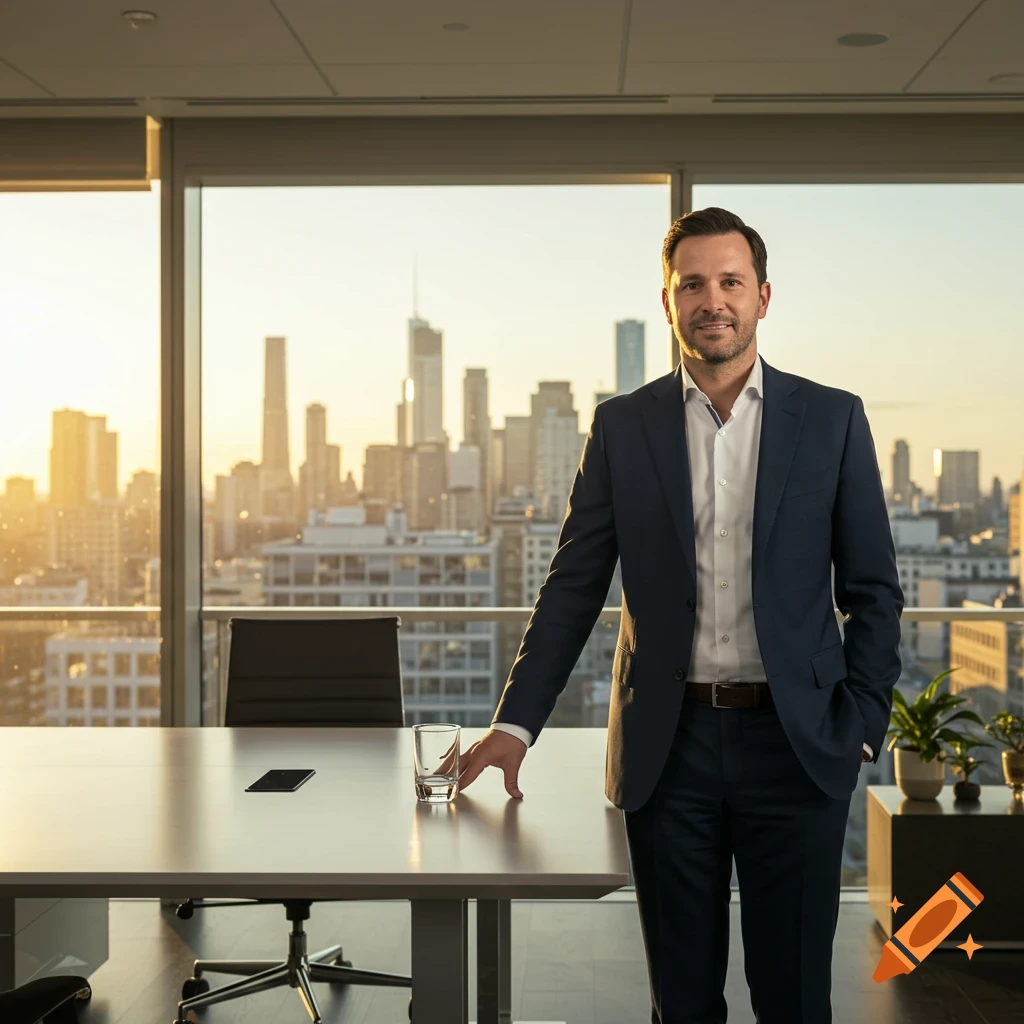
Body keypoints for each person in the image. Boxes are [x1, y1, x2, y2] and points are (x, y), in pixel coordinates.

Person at [458, 207, 903, 1023]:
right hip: (672, 750)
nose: (713, 300)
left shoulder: (833, 419)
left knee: (796, 999)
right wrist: (513, 725)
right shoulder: (623, 427)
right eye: (691, 284)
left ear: (763, 296)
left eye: (730, 282)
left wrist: (863, 721)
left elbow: (873, 590)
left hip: (799, 746)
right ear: (669, 304)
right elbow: (572, 585)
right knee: (682, 1002)